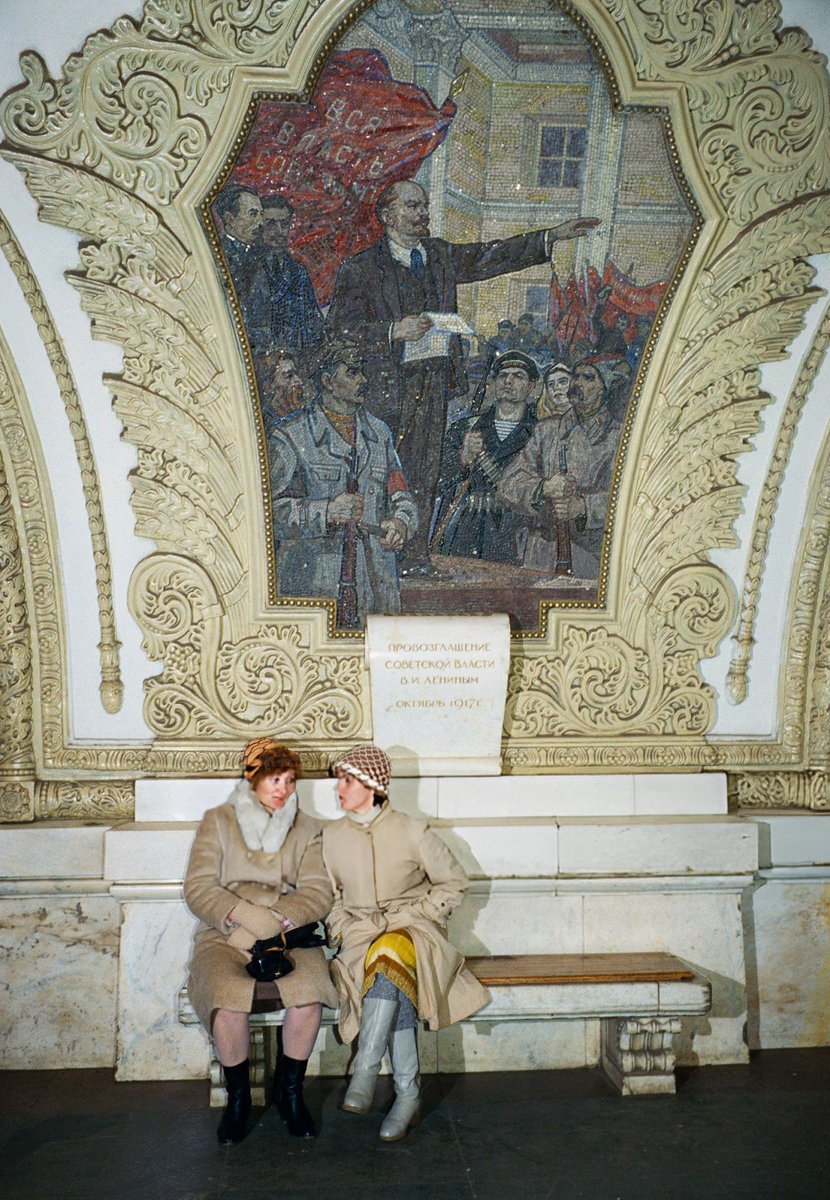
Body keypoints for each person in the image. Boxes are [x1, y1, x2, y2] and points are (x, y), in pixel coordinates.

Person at [326, 178, 599, 573]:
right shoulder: (362, 268)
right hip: (383, 390)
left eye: (424, 206)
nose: (423, 214)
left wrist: (550, 237)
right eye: (413, 206)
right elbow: (340, 329)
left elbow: (491, 256)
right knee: (378, 470)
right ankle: (370, 559)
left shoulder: (437, 256)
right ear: (388, 216)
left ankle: (414, 557)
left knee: (424, 470)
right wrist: (392, 330)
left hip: (432, 385)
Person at [321, 744, 490, 1141]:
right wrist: (342, 928)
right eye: (339, 780)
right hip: (362, 936)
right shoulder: (330, 837)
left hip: (416, 931)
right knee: (388, 975)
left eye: (347, 780)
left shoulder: (413, 830)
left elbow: (453, 882)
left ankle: (364, 1069)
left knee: (392, 949)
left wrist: (424, 914)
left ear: (371, 785)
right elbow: (327, 897)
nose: (339, 789)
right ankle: (407, 1095)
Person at [183, 737, 337, 1144]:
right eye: (273, 778)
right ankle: (239, 1101)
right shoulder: (218, 823)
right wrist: (247, 918)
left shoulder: (308, 830)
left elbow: (319, 892)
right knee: (228, 998)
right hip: (225, 937)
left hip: (289, 938)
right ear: (251, 779)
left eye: (289, 779)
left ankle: (290, 1094)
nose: (282, 787)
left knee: (307, 993)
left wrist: (277, 920)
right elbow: (198, 888)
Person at [268, 338, 418, 627]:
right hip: (315, 588)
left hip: (374, 588)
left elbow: (401, 494)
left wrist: (401, 523)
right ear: (327, 380)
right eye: (352, 372)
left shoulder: (379, 434)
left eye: (362, 371)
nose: (363, 380)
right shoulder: (290, 437)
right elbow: (265, 513)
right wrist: (325, 512)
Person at [498, 360, 622, 580]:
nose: (577, 384)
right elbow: (508, 483)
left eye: (589, 378)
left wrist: (583, 506)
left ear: (605, 387)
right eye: (576, 376)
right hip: (539, 555)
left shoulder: (619, 437)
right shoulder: (546, 431)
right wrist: (543, 487)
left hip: (591, 559)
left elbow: (631, 499)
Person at [433, 350, 538, 563]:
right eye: (502, 375)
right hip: (467, 529)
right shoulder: (465, 427)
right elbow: (437, 482)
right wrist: (463, 457)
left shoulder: (541, 433)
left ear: (531, 386)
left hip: (515, 532)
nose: (508, 381)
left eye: (518, 376)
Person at [246, 194, 325, 356]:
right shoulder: (247, 269)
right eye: (271, 225)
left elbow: (315, 328)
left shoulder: (298, 273)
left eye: (284, 224)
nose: (280, 232)